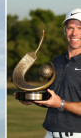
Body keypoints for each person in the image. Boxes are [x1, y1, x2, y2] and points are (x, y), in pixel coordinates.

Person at [20, 8, 81, 138]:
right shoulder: (57, 61)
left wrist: (61, 104)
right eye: (70, 28)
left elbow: (58, 102)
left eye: (80, 28)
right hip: (49, 133)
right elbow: (52, 97)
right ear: (65, 31)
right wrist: (31, 97)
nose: (74, 33)